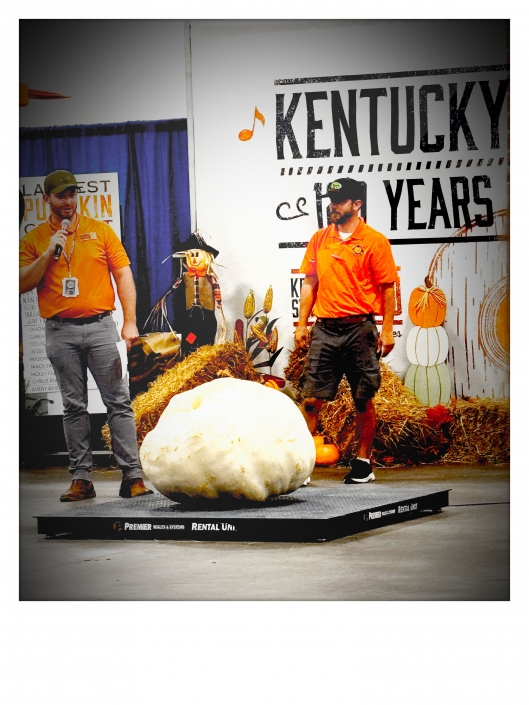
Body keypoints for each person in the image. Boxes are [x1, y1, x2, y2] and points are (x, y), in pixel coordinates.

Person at [19, 169, 153, 502]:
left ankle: (133, 476)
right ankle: (82, 479)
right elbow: (22, 282)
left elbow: (123, 276)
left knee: (118, 403)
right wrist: (51, 250)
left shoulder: (100, 232)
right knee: (73, 407)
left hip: (100, 327)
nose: (67, 201)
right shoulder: (34, 240)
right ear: (46, 198)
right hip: (59, 330)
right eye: (60, 195)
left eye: (72, 195)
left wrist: (130, 321)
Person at [294, 178, 398, 484]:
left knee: (363, 399)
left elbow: (389, 288)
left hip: (359, 329)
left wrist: (388, 330)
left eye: (339, 201)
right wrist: (302, 324)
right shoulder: (319, 239)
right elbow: (310, 283)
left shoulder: (374, 241)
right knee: (312, 398)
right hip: (324, 329)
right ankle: (299, 465)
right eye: (331, 200)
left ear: (357, 204)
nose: (332, 206)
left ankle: (363, 462)